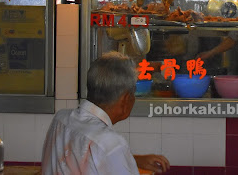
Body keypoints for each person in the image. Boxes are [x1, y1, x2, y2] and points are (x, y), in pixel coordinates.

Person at [42, 52, 170, 174]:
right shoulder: (110, 144)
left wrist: (132, 159)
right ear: (125, 98)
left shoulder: (61, 119)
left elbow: (82, 156)